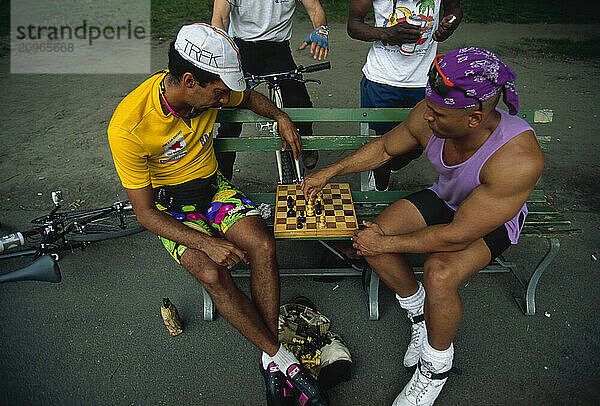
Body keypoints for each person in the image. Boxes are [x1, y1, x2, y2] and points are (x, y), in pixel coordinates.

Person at [301, 48, 544, 405]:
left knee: (439, 272)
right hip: (446, 198)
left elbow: (458, 234)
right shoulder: (431, 114)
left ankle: (434, 369)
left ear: (474, 118)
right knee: (374, 235)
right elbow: (386, 147)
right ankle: (420, 317)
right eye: (428, 107)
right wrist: (330, 172)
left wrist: (386, 245)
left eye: (438, 113)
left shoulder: (518, 157)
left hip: (491, 220)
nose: (425, 116)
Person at [107, 23, 327, 406]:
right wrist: (208, 243)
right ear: (190, 81)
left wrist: (280, 116)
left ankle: (270, 355)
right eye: (219, 93)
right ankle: (282, 358)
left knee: (262, 245)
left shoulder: (212, 91)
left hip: (213, 189)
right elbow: (144, 214)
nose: (226, 100)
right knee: (212, 272)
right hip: (169, 209)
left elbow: (249, 98)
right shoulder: (129, 127)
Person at [348, 0, 462, 191]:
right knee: (383, 140)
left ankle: (383, 165)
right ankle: (379, 193)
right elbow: (353, 25)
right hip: (382, 79)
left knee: (416, 145)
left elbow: (455, 9)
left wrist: (449, 25)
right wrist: (387, 33)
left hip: (422, 80)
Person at [211, 0, 330, 180]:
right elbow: (220, 17)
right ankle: (222, 178)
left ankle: (305, 139)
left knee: (300, 102)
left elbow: (314, 8)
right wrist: (221, 53)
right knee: (230, 118)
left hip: (278, 49)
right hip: (242, 48)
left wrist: (320, 30)